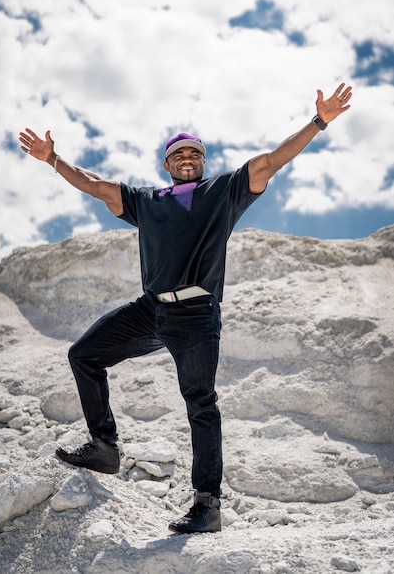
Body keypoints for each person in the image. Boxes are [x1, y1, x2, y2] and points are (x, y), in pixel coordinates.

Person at [19, 83, 352, 534]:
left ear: (203, 161)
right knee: (84, 354)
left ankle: (207, 505)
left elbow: (273, 160)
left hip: (196, 316)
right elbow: (96, 186)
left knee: (201, 404)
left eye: (194, 153)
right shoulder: (146, 201)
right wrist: (53, 160)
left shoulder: (225, 192)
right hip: (150, 309)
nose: (187, 159)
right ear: (168, 164)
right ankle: (104, 446)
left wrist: (319, 121)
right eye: (179, 155)